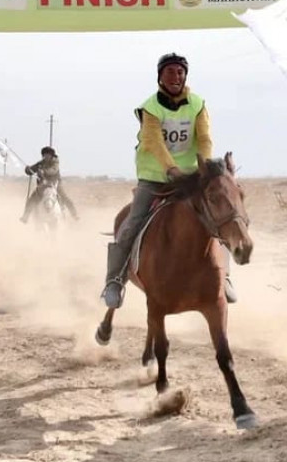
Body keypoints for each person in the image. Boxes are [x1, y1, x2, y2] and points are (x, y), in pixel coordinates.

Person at [100, 52, 237, 309]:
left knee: (220, 215)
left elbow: (205, 138)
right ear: (160, 76)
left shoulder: (197, 104)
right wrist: (171, 170)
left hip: (192, 174)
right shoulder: (150, 108)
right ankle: (115, 280)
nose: (176, 76)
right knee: (132, 222)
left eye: (180, 72)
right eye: (170, 72)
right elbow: (154, 142)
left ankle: (224, 276)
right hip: (154, 176)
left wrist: (204, 166)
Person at [21, 146, 79, 222]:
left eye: (48, 155)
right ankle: (25, 217)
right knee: (32, 199)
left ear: (51, 155)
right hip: (43, 186)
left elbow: (53, 170)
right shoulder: (41, 163)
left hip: (55, 184)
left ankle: (74, 215)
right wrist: (28, 169)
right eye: (44, 155)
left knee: (64, 197)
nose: (46, 156)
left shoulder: (55, 162)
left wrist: (43, 171)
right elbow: (32, 169)